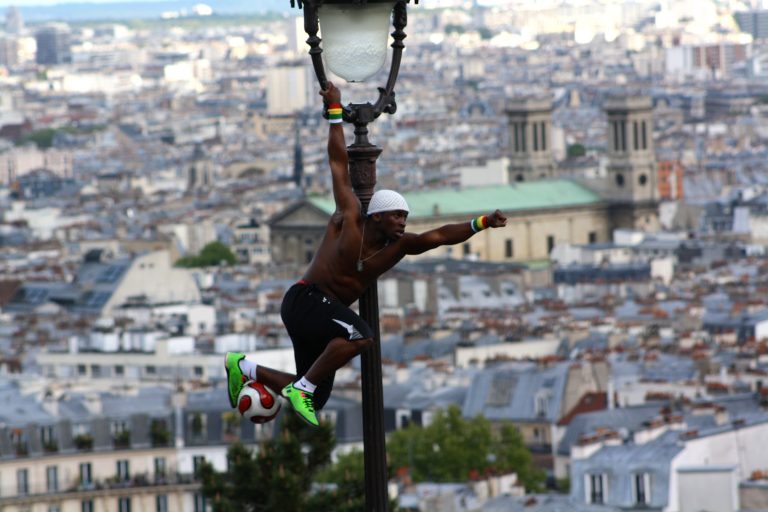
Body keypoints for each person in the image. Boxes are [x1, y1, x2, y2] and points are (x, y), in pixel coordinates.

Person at [225, 82, 507, 426]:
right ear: (377, 215)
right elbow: (338, 165)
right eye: (397, 216)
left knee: (317, 394)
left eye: (405, 217)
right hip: (306, 299)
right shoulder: (350, 219)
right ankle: (299, 389)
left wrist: (481, 223)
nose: (403, 223)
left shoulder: (397, 248)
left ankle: (244, 366)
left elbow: (440, 236)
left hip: (323, 316)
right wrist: (333, 113)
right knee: (361, 336)